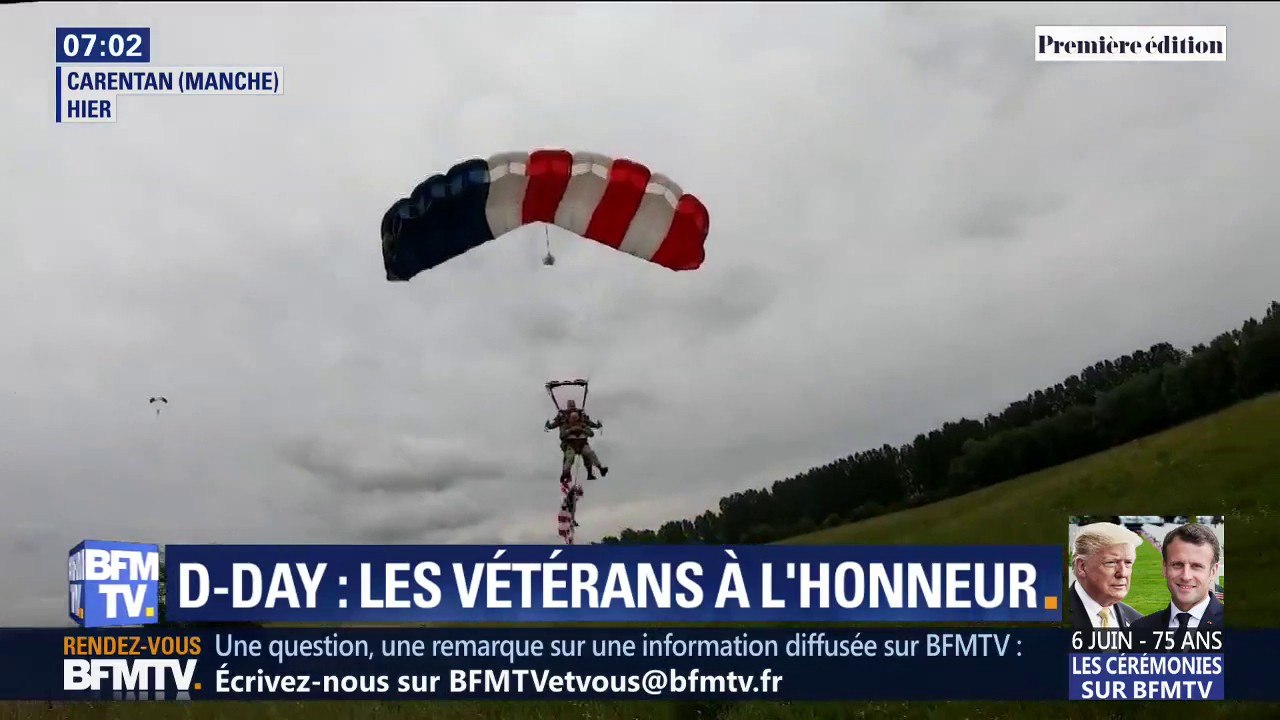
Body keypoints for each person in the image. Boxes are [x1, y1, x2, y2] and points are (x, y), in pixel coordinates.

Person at [1131, 522, 1225, 635]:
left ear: (1213, 571)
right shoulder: (1138, 631)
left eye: (1197, 566)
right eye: (1177, 565)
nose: (1186, 576)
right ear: (1164, 568)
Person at [1068, 522, 1145, 630]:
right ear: (1082, 567)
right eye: (1111, 562)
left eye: (1128, 563)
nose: (1123, 573)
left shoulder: (1137, 621)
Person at [545, 399, 609, 482]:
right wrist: (571, 430)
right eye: (573, 419)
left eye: (576, 419)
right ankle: (565, 474)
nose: (574, 420)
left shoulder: (582, 423)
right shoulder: (564, 422)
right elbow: (561, 435)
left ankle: (600, 469)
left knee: (589, 453)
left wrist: (583, 429)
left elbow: (591, 432)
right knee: (569, 457)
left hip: (582, 443)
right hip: (570, 444)